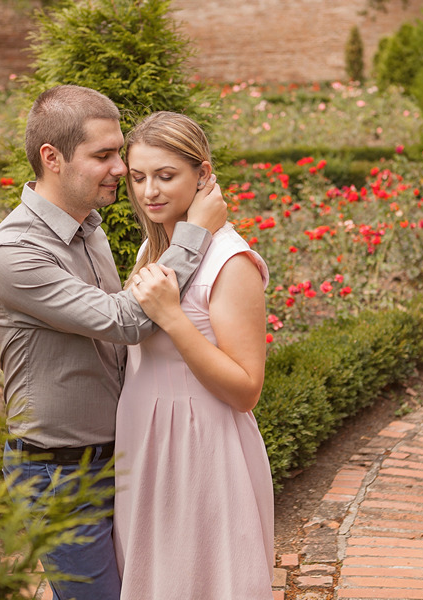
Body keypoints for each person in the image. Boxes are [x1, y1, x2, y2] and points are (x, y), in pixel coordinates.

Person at [0, 86, 226, 600]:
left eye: (119, 152)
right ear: (53, 158)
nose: (121, 168)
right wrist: (194, 235)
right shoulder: (12, 253)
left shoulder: (90, 228)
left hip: (123, 456)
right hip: (59, 474)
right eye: (104, 155)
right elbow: (131, 319)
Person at [113, 111, 274, 600]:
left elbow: (247, 389)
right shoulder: (152, 248)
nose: (149, 192)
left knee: (204, 582)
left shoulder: (230, 261)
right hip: (143, 442)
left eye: (166, 176)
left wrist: (174, 318)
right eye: (138, 177)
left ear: (203, 175)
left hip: (201, 446)